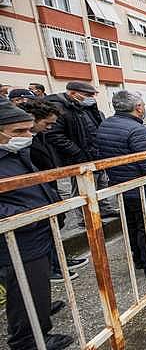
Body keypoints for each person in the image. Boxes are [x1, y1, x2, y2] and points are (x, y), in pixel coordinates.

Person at [0, 102, 74, 350]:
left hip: (35, 231)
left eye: (29, 130)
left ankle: (39, 314)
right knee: (24, 289)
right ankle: (28, 341)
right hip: (19, 236)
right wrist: (28, 213)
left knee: (36, 285)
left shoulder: (13, 154)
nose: (28, 137)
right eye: (19, 131)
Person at [96, 91, 146, 277]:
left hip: (122, 186)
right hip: (143, 188)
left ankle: (141, 259)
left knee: (133, 226)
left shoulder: (106, 124)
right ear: (138, 108)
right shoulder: (137, 130)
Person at [18, 100, 89, 282]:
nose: (50, 128)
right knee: (40, 235)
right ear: (33, 119)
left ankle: (59, 261)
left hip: (46, 187)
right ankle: (50, 267)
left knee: (53, 229)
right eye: (47, 124)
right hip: (30, 197)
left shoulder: (38, 136)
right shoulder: (20, 143)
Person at [46, 81, 119, 220]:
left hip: (94, 153)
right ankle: (85, 219)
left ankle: (104, 209)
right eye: (87, 95)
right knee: (82, 189)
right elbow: (54, 134)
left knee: (100, 183)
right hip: (78, 157)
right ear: (73, 93)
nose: (91, 98)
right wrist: (76, 151)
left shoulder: (86, 106)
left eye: (92, 95)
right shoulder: (59, 108)